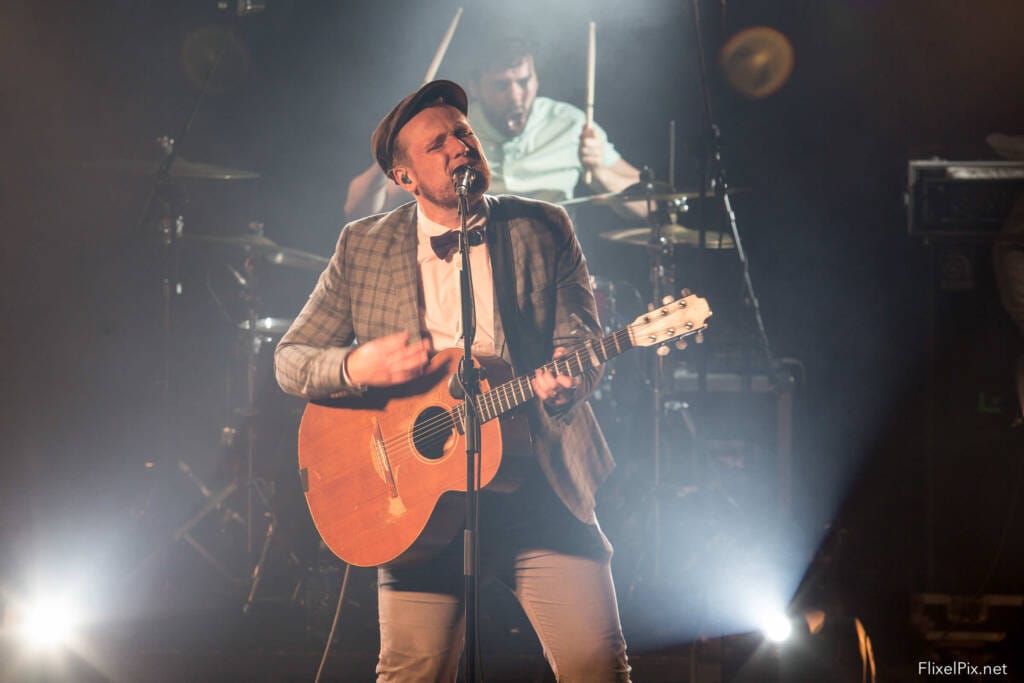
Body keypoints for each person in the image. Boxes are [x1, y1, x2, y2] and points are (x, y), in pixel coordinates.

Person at [276, 80, 631, 681]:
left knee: (598, 667)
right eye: (437, 144)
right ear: (405, 177)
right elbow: (290, 359)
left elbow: (581, 342)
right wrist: (355, 367)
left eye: (463, 134)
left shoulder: (544, 226)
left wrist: (569, 381)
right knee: (412, 673)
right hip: (414, 506)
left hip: (539, 486)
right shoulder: (362, 245)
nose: (460, 147)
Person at [343, 38, 642, 221]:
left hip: (555, 275)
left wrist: (601, 173)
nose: (516, 96)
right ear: (475, 87)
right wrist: (395, 146)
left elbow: (649, 205)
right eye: (501, 86)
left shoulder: (571, 124)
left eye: (524, 82)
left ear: (536, 78)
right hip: (471, 273)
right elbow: (359, 212)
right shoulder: (452, 128)